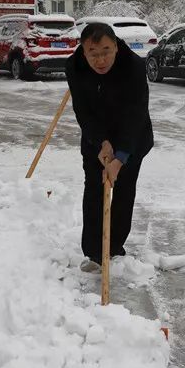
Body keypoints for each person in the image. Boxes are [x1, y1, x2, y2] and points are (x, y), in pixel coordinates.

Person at [65, 23, 154, 273]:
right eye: (93, 53)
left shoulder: (134, 66)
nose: (100, 59)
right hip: (96, 137)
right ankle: (94, 252)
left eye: (106, 50)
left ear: (116, 46)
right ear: (83, 51)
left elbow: (135, 114)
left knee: (124, 188)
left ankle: (114, 247)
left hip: (132, 136)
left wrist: (120, 157)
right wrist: (101, 142)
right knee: (94, 187)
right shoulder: (74, 67)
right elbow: (83, 110)